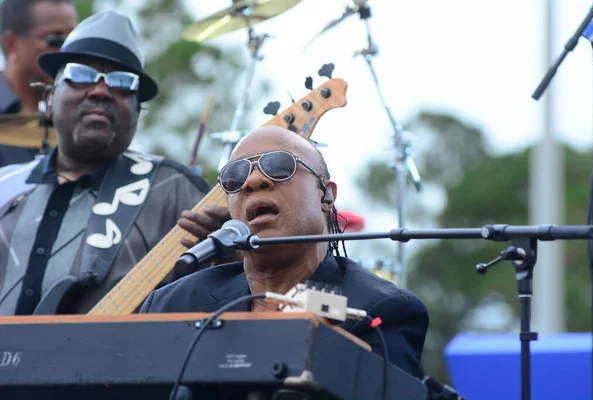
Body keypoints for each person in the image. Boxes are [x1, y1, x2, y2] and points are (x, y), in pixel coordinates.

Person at [139, 125, 430, 378]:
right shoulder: (171, 304)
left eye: (279, 166)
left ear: (326, 195)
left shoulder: (377, 310)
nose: (253, 181)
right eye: (235, 176)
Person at [0, 10, 230, 315]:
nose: (100, 90)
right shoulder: (5, 186)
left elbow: (224, 298)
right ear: (51, 96)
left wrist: (232, 257)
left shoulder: (173, 190)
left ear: (138, 111)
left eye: (122, 82)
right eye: (81, 74)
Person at [0, 0, 77, 167]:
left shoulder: (77, 114)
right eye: (55, 40)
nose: (68, 51)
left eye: (73, 39)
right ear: (12, 44)